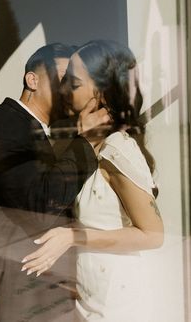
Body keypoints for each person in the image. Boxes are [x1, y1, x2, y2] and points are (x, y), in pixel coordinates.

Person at [21, 40, 164, 321]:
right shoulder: (84, 145)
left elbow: (153, 235)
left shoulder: (117, 148)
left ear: (99, 92)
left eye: (73, 83)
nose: (63, 89)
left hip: (119, 306)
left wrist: (73, 237)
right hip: (91, 296)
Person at [0, 43, 110, 213]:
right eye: (65, 78)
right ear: (33, 80)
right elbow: (38, 206)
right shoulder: (1, 123)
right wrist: (85, 141)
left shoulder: (38, 129)